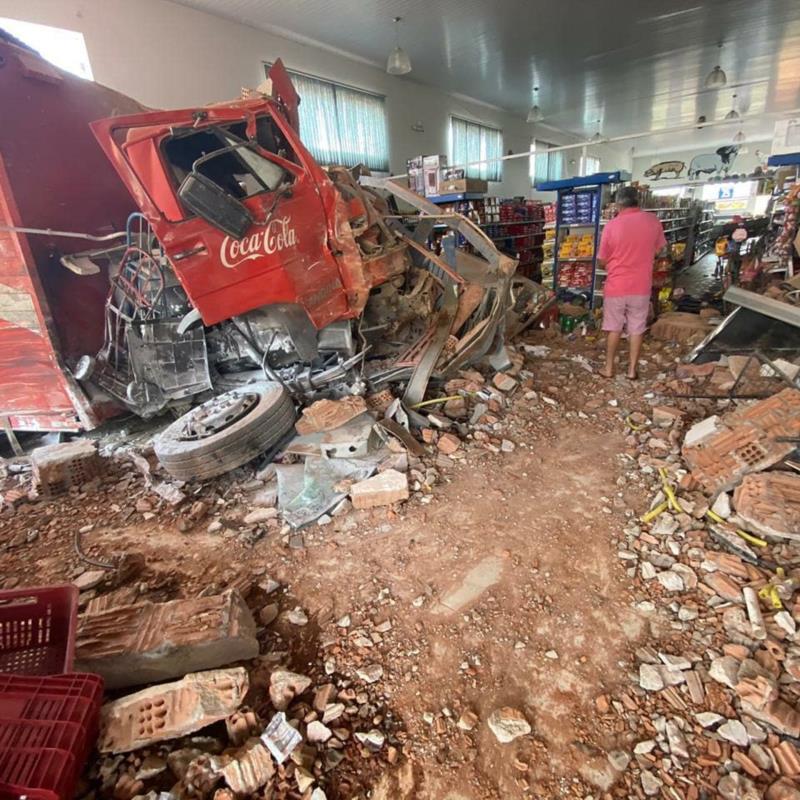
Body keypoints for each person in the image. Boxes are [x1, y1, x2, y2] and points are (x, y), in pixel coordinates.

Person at [596, 186, 666, 379]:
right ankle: (632, 371)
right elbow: (660, 250)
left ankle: (609, 369)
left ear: (618, 203)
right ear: (639, 201)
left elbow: (602, 260)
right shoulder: (653, 221)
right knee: (637, 328)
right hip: (641, 285)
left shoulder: (612, 225)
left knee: (614, 327)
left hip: (617, 285)